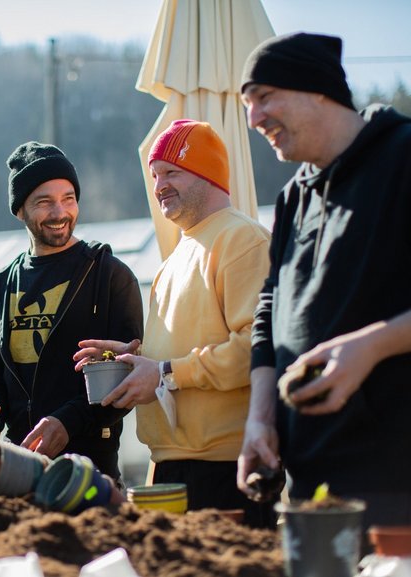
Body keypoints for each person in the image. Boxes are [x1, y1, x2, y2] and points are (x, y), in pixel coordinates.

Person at [236, 31, 411, 533]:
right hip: (306, 481)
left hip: (394, 482)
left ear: (318, 89)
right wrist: (261, 418)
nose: (253, 118)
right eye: (248, 103)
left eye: (265, 96)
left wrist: (373, 346)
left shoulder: (402, 157)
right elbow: (270, 308)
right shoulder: (293, 197)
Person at [74, 120, 274, 527]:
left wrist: (164, 372)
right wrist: (132, 358)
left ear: (207, 173)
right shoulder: (174, 259)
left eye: (172, 172)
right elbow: (185, 347)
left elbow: (255, 349)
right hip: (170, 465)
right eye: (154, 175)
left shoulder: (242, 240)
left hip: (227, 466)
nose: (159, 184)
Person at [0, 141, 143, 483]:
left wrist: (67, 422)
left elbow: (127, 374)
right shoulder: (2, 284)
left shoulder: (109, 275)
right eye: (44, 202)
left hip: (91, 470)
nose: (60, 212)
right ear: (20, 210)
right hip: (17, 466)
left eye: (68, 198)